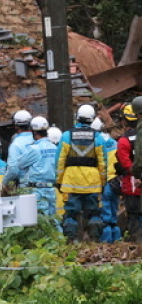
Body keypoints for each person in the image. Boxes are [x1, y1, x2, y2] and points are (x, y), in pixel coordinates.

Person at [56, 104, 107, 242]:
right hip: (92, 182)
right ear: (91, 120)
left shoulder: (66, 136)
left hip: (70, 181)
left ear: (77, 117)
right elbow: (103, 163)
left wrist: (59, 180)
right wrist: (102, 183)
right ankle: (95, 241)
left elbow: (60, 160)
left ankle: (71, 242)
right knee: (94, 213)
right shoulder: (98, 138)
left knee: (70, 214)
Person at [5, 116, 59, 219]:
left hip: (37, 190)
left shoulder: (34, 149)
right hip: (51, 189)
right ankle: (60, 235)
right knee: (53, 220)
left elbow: (20, 164)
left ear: (34, 132)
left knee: (40, 221)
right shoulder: (54, 147)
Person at [92, 118, 121, 242]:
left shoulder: (96, 142)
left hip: (103, 182)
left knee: (105, 216)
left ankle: (106, 243)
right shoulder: (114, 142)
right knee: (114, 213)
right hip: (115, 182)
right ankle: (118, 242)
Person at [117, 103, 141, 241]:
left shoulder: (123, 141)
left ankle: (136, 244)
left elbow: (125, 163)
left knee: (133, 216)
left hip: (131, 186)